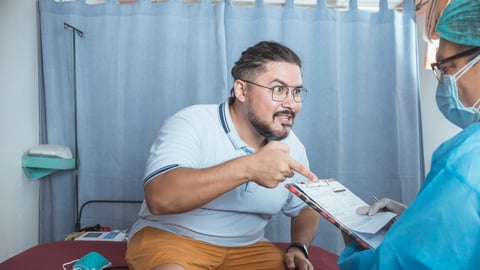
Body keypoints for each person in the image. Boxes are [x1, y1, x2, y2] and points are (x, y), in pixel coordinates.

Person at [125, 41, 320, 270]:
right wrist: (249, 168)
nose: (292, 103)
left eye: (296, 92)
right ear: (242, 90)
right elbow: (160, 198)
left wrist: (299, 246)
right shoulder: (191, 123)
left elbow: (305, 208)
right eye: (278, 89)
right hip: (173, 238)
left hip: (249, 248)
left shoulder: (292, 146)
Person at [338, 0, 480, 269]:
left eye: (447, 68)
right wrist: (414, 217)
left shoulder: (467, 161)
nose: (446, 83)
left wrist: (356, 246)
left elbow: (406, 264)